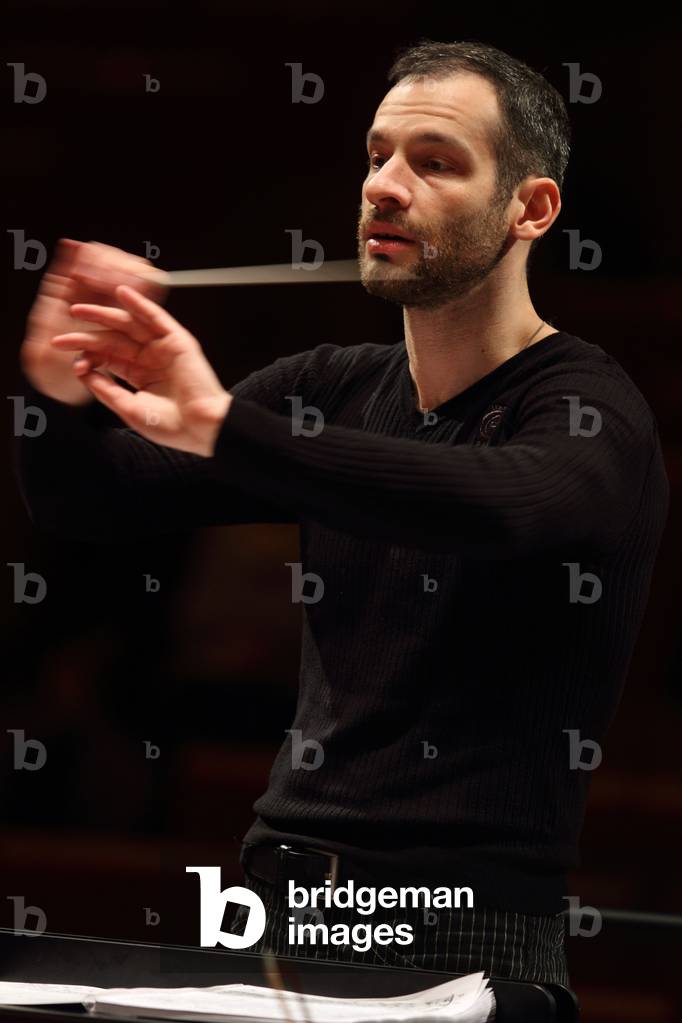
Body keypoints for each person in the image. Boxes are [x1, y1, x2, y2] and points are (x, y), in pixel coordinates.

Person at [14, 39, 669, 988]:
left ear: (531, 207)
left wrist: (224, 424)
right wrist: (61, 386)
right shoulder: (330, 385)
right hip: (276, 893)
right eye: (377, 155)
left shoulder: (587, 406)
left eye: (435, 161)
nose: (385, 186)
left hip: (461, 926)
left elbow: (497, 503)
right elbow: (85, 499)